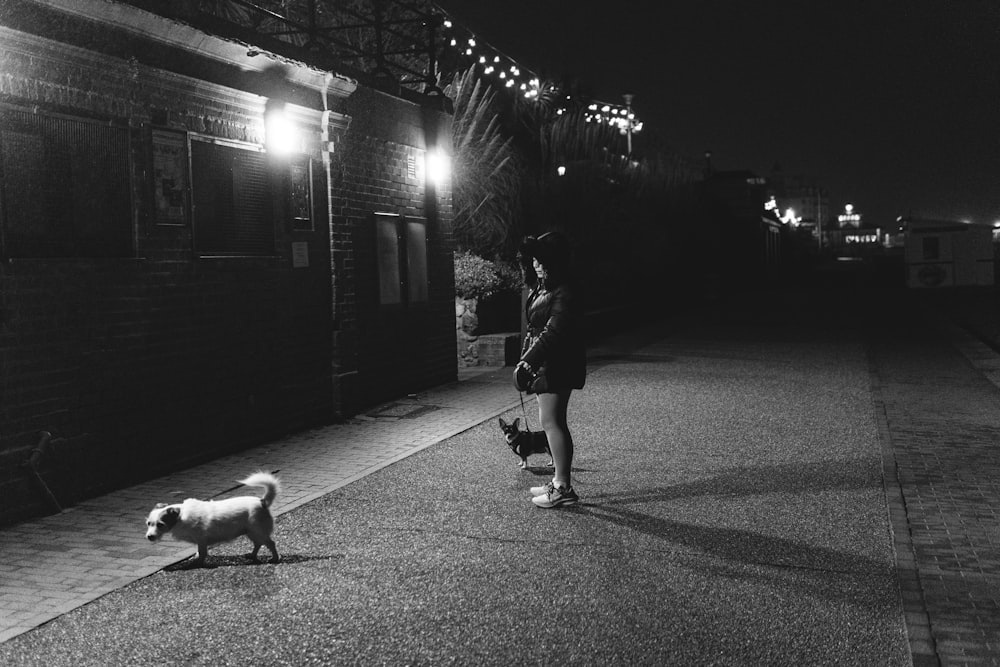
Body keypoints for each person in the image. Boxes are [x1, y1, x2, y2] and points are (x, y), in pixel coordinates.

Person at [515, 231, 586, 508]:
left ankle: (563, 486)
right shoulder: (546, 286)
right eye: (533, 260)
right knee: (551, 422)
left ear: (554, 262)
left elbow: (554, 330)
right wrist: (529, 358)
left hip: (557, 363)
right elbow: (537, 327)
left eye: (540, 260)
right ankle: (558, 481)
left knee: (553, 423)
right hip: (546, 363)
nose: (535, 265)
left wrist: (528, 360)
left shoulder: (563, 290)